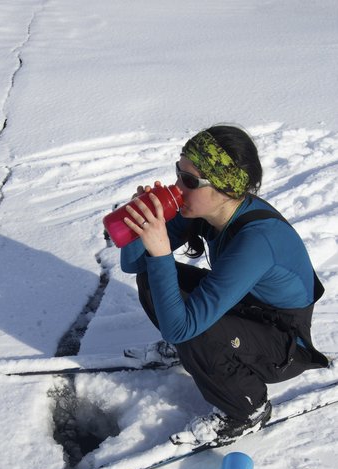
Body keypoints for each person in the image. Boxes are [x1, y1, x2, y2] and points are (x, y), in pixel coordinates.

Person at [120, 125, 328, 444]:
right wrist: (140, 226)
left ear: (225, 188)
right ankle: (196, 353)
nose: (178, 186)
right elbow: (134, 264)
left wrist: (160, 251)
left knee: (194, 329)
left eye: (189, 181)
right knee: (152, 276)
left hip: (284, 341)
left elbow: (180, 327)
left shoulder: (257, 240)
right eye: (179, 173)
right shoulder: (206, 209)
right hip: (247, 307)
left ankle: (246, 409)